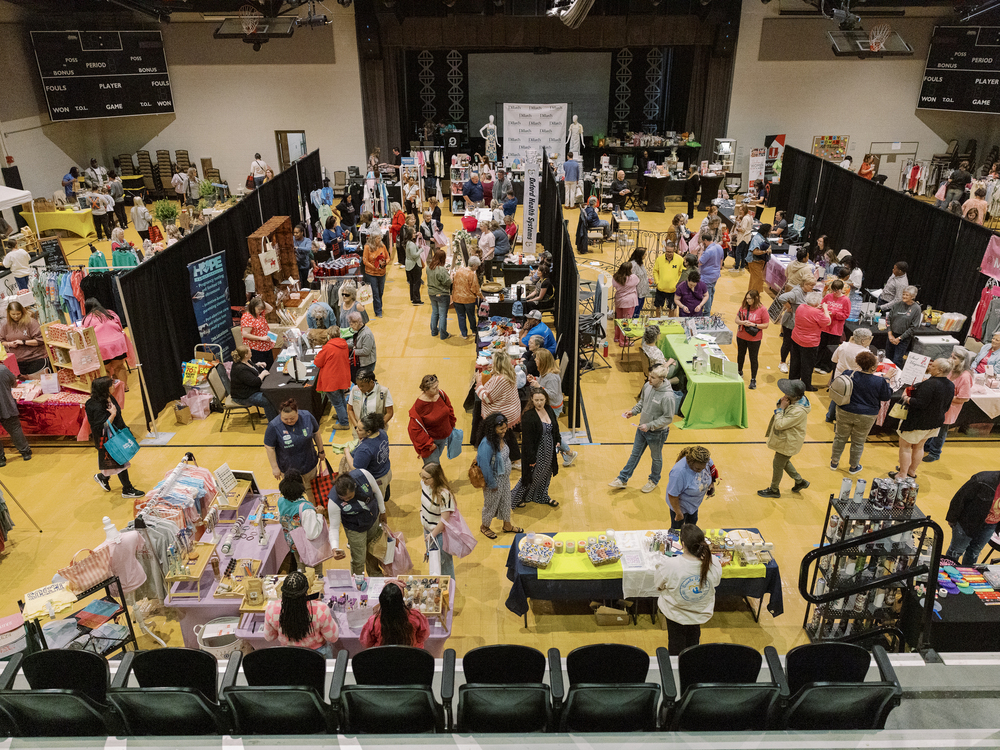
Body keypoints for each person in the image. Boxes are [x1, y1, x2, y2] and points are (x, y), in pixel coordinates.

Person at [655, 523, 722, 655]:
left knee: (675, 646)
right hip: (699, 612)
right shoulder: (713, 561)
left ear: (683, 544)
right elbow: (715, 583)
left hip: (676, 614)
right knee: (693, 643)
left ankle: (676, 670)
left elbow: (658, 585)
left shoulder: (669, 564)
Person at [609, 365, 676, 494]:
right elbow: (642, 402)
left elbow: (668, 418)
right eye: (649, 375)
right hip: (642, 429)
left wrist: (650, 425)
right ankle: (623, 478)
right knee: (635, 454)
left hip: (657, 433)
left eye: (653, 377)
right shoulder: (648, 386)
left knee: (656, 458)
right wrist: (633, 412)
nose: (649, 379)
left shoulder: (668, 397)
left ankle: (654, 480)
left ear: (662, 378)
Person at [892, 358, 955, 481]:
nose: (929, 366)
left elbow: (919, 403)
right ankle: (911, 471)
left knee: (905, 447)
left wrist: (905, 397)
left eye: (933, 365)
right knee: (919, 446)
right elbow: (947, 405)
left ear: (940, 370)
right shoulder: (950, 384)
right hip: (935, 422)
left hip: (918, 421)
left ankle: (902, 474)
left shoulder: (930, 384)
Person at [830, 351, 892, 474]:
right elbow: (886, 397)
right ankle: (853, 466)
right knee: (858, 442)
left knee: (840, 437)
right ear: (873, 367)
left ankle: (834, 462)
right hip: (867, 415)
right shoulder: (879, 382)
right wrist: (887, 380)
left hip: (845, 410)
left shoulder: (848, 373)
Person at [86, 376, 143, 498]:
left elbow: (119, 417)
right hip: (105, 440)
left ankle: (103, 477)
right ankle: (127, 489)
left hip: (115, 435)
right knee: (120, 462)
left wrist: (125, 429)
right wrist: (112, 415)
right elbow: (101, 427)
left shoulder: (109, 397)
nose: (114, 386)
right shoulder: (93, 405)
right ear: (104, 389)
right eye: (111, 385)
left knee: (114, 462)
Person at [757, 379, 811, 498]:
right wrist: (782, 404)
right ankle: (799, 481)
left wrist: (780, 409)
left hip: (789, 441)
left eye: (787, 392)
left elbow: (780, 424)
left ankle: (774, 489)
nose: (784, 394)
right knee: (784, 462)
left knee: (778, 464)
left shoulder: (798, 411)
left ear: (794, 396)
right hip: (786, 439)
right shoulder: (795, 401)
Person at [511, 387, 563, 510]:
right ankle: (516, 498)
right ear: (532, 400)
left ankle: (541, 495)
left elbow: (555, 428)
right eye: (536, 400)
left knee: (545, 474)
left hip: (549, 450)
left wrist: (558, 441)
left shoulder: (549, 410)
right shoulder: (529, 416)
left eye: (541, 400)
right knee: (530, 476)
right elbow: (527, 442)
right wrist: (531, 459)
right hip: (536, 452)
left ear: (546, 399)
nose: (539, 403)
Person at [263, 571, 337, 656]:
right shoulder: (321, 609)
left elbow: (269, 637)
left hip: (288, 655)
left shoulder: (271, 609)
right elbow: (333, 638)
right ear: (307, 590)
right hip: (317, 656)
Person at [264, 399, 324, 501]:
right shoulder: (274, 426)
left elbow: (316, 433)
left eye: (292, 418)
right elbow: (269, 447)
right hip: (288, 467)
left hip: (309, 462)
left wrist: (321, 450)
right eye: (285, 419)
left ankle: (313, 511)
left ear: (298, 412)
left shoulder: (307, 416)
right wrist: (275, 468)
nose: (289, 421)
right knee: (293, 493)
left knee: (311, 489)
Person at [329, 469, 386, 576]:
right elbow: (334, 527)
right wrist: (334, 547)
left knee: (373, 551)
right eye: (343, 498)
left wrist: (383, 511)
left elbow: (377, 491)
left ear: (354, 486)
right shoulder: (333, 501)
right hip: (354, 528)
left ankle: (375, 576)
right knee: (358, 559)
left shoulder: (363, 475)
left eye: (350, 497)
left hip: (372, 520)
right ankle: (357, 580)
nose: (347, 500)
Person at [527, 349, 578, 466]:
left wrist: (538, 386)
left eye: (537, 359)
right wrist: (535, 380)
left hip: (553, 408)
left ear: (543, 362)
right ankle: (567, 453)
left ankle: (569, 453)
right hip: (550, 406)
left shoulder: (552, 377)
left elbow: (553, 394)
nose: (535, 360)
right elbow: (543, 382)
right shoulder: (545, 373)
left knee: (550, 433)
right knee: (549, 433)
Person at [923, 346, 974, 462]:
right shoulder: (950, 370)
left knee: (941, 431)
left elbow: (964, 398)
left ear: (962, 361)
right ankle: (927, 446)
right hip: (939, 405)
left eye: (954, 358)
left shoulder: (965, 376)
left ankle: (935, 453)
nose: (950, 359)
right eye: (951, 356)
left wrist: (945, 396)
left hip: (950, 408)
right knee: (932, 427)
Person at [475, 350, 523, 469]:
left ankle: (503, 461)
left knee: (501, 436)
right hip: (511, 409)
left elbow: (487, 398)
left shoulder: (500, 379)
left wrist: (479, 383)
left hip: (503, 412)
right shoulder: (510, 372)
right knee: (508, 435)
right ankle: (516, 460)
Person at [477, 413, 522, 539]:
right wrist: (492, 484)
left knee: (506, 502)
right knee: (491, 505)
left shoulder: (501, 437)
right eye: (501, 429)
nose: (504, 431)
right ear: (493, 429)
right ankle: (484, 527)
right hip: (494, 481)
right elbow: (485, 466)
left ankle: (507, 525)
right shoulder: (486, 444)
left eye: (505, 428)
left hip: (504, 479)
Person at [276, 470, 330, 573]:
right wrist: (319, 515)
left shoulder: (281, 501)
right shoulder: (306, 508)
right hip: (309, 547)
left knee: (300, 566)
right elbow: (312, 534)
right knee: (315, 575)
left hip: (294, 543)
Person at [945, 471, 1000, 565]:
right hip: (968, 522)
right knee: (955, 552)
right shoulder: (982, 480)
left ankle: (967, 575)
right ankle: (944, 576)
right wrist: (952, 518)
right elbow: (959, 498)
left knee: (974, 553)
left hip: (991, 525)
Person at [360, 579, 430, 649]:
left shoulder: (374, 621)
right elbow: (423, 637)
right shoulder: (415, 616)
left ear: (381, 601)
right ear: (401, 600)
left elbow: (366, 643)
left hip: (383, 657)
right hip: (411, 656)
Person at [407, 374, 457, 465]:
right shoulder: (419, 406)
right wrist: (428, 444)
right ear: (425, 390)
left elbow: (449, 409)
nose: (437, 389)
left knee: (435, 463)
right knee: (433, 467)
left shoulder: (441, 394)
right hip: (430, 443)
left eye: (437, 386)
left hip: (443, 437)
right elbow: (414, 429)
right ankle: (426, 479)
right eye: (434, 388)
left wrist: (451, 424)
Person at [346, 413, 392, 502]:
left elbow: (355, 468)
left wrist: (347, 452)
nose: (356, 430)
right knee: (384, 495)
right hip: (386, 471)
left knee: (377, 504)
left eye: (359, 429)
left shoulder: (365, 449)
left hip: (376, 480)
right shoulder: (382, 432)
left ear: (369, 432)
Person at [789, 291, 831, 391]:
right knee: (807, 365)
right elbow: (828, 321)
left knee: (795, 361)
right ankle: (806, 385)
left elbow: (810, 313)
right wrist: (825, 309)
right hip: (809, 343)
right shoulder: (817, 313)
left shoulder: (801, 307)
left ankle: (792, 381)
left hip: (796, 338)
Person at [82, 298, 129, 386]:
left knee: (105, 370)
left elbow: (87, 337)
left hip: (101, 347)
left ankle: (109, 391)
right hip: (117, 342)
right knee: (119, 367)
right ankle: (124, 387)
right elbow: (120, 327)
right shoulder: (110, 313)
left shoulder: (87, 319)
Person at [665, 446, 715, 529]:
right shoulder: (679, 473)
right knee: (677, 531)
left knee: (692, 529)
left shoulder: (706, 461)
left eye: (703, 468)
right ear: (691, 463)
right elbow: (672, 495)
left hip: (693, 506)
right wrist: (678, 513)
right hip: (680, 508)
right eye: (698, 468)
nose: (702, 470)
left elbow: (711, 472)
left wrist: (711, 484)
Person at [313, 328, 351, 430]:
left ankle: (344, 423)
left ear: (329, 335)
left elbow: (317, 362)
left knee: (337, 402)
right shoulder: (344, 345)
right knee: (341, 398)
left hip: (331, 379)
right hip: (341, 377)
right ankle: (343, 415)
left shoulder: (328, 347)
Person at [229, 345, 278, 423]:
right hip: (243, 396)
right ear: (245, 354)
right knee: (267, 400)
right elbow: (254, 382)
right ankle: (274, 423)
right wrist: (262, 374)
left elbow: (252, 369)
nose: (251, 352)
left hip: (251, 391)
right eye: (250, 351)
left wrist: (258, 364)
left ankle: (275, 416)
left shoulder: (246, 361)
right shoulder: (240, 369)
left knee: (271, 394)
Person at [776, 277, 814, 373]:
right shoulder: (796, 292)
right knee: (787, 343)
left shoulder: (806, 292)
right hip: (790, 322)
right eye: (811, 285)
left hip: (799, 322)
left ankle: (791, 360)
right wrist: (789, 307)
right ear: (804, 284)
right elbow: (782, 298)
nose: (812, 287)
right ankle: (782, 362)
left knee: (795, 344)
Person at [735, 289, 769, 389]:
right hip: (741, 336)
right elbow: (736, 319)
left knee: (753, 358)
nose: (747, 300)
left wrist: (754, 324)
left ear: (756, 298)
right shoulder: (744, 307)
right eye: (747, 298)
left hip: (754, 339)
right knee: (740, 355)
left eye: (749, 298)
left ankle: (753, 379)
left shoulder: (762, 309)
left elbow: (766, 325)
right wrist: (742, 322)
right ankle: (739, 371)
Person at [816, 279, 851, 375]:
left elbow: (846, 315)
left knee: (830, 349)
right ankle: (817, 364)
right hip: (824, 327)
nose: (834, 293)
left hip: (835, 329)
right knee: (821, 346)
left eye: (837, 290)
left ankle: (826, 367)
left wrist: (834, 314)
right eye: (833, 290)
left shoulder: (846, 300)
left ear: (841, 290)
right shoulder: (828, 296)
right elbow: (822, 305)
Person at [347, 369, 394, 436]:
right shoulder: (355, 390)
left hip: (376, 431)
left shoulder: (383, 392)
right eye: (358, 385)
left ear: (371, 382)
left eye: (362, 385)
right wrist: (357, 427)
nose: (359, 388)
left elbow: (389, 413)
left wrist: (377, 428)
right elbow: (350, 409)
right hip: (359, 431)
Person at [0, 364, 31, 467]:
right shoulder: (3, 369)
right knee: (14, 428)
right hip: (6, 405)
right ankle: (25, 452)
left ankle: (1, 459)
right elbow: (14, 384)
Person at [885, 286, 922, 368]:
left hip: (904, 338)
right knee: (888, 358)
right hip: (891, 336)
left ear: (913, 296)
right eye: (903, 294)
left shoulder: (916, 308)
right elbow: (888, 319)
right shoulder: (897, 305)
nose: (904, 296)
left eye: (907, 295)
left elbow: (913, 327)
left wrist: (899, 338)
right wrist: (890, 334)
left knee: (897, 360)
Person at [452, 256, 483, 340]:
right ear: (473, 265)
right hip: (469, 299)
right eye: (476, 266)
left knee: (461, 316)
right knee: (471, 315)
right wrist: (481, 296)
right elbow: (475, 288)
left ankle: (464, 334)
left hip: (457, 298)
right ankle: (473, 331)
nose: (476, 268)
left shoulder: (459, 270)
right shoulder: (472, 274)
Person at [241, 297, 275, 368]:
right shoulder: (247, 317)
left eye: (262, 309)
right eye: (259, 309)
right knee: (261, 368)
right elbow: (245, 334)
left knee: (270, 367)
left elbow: (270, 308)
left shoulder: (259, 314)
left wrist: (261, 300)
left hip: (266, 346)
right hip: (256, 348)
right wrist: (261, 338)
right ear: (253, 307)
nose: (261, 311)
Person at [426, 248, 452, 340]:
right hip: (442, 294)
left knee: (435, 312)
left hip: (431, 293)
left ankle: (434, 331)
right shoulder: (441, 269)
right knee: (442, 315)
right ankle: (443, 334)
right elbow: (448, 282)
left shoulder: (429, 267)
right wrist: (450, 276)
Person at [653, 240, 683, 317]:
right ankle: (658, 321)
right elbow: (655, 271)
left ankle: (671, 323)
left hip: (673, 290)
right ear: (665, 250)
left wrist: (677, 284)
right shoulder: (659, 259)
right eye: (667, 251)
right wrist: (657, 282)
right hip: (661, 289)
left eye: (671, 252)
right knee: (658, 307)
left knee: (672, 308)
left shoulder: (680, 259)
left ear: (674, 251)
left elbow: (681, 273)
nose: (669, 254)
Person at [697, 231, 724, 315]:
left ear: (705, 240)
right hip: (715, 274)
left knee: (706, 295)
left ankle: (706, 313)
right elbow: (721, 260)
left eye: (703, 242)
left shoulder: (708, 251)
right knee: (711, 292)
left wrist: (701, 251)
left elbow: (699, 262)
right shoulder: (719, 247)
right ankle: (708, 309)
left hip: (707, 276)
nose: (702, 244)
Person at [362, 235, 389, 319]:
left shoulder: (382, 246)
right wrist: (374, 267)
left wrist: (385, 263)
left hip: (382, 272)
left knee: (381, 291)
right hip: (371, 273)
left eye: (380, 238)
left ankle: (379, 306)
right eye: (378, 238)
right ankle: (378, 311)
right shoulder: (367, 247)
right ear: (373, 239)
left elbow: (388, 258)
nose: (380, 239)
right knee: (375, 293)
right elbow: (365, 260)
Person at [612, 262, 639, 344]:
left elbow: (614, 285)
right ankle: (623, 341)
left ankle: (617, 337)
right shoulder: (633, 278)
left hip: (619, 300)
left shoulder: (615, 277)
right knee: (626, 321)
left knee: (619, 319)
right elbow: (638, 281)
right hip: (629, 302)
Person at [347, 311, 376, 380]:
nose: (351, 327)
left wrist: (353, 352)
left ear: (357, 323)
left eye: (352, 324)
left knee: (365, 382)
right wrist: (345, 345)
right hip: (361, 362)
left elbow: (366, 351)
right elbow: (355, 344)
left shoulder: (366, 334)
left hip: (367, 364)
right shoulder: (359, 331)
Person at [400, 225, 423, 305]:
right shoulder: (411, 244)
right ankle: (416, 299)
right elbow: (414, 255)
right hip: (414, 264)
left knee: (412, 282)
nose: (415, 234)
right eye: (414, 233)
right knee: (417, 282)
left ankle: (413, 297)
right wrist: (421, 250)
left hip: (409, 264)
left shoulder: (408, 243)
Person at [746, 223, 772, 294]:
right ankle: (752, 296)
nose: (770, 233)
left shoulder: (764, 238)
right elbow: (755, 251)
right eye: (770, 231)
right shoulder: (757, 239)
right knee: (757, 280)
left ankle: (755, 295)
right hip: (754, 262)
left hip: (760, 262)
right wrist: (766, 251)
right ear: (766, 231)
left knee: (758, 280)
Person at [628, 249, 650, 317]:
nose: (646, 256)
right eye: (644, 254)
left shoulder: (640, 263)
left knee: (638, 310)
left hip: (642, 292)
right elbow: (632, 279)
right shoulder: (633, 264)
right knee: (634, 310)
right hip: (636, 293)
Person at [292, 223, 314, 289]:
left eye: (297, 233)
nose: (295, 234)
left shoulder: (307, 240)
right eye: (294, 233)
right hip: (296, 265)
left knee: (304, 282)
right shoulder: (292, 239)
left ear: (302, 232)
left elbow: (308, 249)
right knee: (299, 281)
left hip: (304, 265)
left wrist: (298, 248)